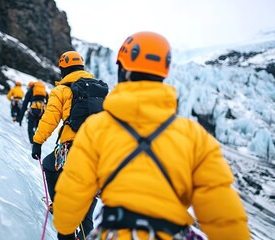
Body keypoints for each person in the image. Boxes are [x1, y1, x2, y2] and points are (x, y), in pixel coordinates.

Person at [52, 32, 251, 240]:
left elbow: (72, 195)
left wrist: (65, 230)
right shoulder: (193, 136)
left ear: (123, 71)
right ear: (163, 74)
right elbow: (224, 216)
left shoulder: (96, 129)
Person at [31, 51, 98, 240]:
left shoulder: (61, 90)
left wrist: (37, 142)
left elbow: (50, 118)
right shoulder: (98, 89)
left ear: (64, 68)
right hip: (97, 149)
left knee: (49, 165)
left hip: (72, 147)